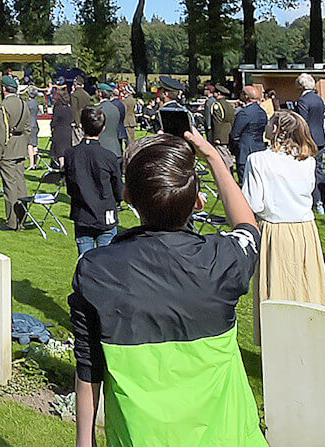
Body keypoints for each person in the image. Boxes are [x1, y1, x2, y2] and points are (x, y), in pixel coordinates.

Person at [71, 131, 262, 447]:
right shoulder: (224, 259)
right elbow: (247, 227)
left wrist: (84, 442)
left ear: (128, 197)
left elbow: (88, 367)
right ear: (198, 202)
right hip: (230, 437)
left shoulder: (97, 270)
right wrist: (214, 157)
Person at [241, 110, 325, 344]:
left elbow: (254, 202)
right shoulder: (308, 160)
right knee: (306, 284)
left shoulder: (258, 160)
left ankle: (281, 344)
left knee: (278, 287)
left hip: (276, 229)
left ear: (277, 129)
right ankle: (311, 339)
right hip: (305, 229)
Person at [63, 105, 123, 255]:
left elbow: (70, 186)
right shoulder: (107, 156)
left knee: (86, 261)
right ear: (102, 128)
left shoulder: (72, 154)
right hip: (101, 212)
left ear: (82, 127)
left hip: (85, 213)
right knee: (104, 263)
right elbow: (118, 188)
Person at [0, 77, 30, 231]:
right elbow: (28, 128)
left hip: (8, 149)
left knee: (10, 187)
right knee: (21, 183)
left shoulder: (3, 106)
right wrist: (24, 144)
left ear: (4, 89)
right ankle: (23, 218)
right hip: (20, 147)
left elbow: (2, 132)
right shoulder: (23, 103)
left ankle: (12, 222)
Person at [295, 73, 325, 214]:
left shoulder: (303, 101)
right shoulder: (319, 99)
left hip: (308, 139)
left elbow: (302, 122)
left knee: (309, 170)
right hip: (320, 137)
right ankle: (322, 199)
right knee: (319, 170)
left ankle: (316, 200)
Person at [228, 85, 268, 182]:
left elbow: (235, 134)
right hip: (259, 148)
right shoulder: (262, 112)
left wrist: (234, 148)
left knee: (245, 181)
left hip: (245, 150)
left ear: (246, 96)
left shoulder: (244, 113)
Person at [49, 86, 73, 171]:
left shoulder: (58, 108)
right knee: (66, 150)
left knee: (60, 152)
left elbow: (54, 120)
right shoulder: (69, 108)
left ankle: (62, 168)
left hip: (59, 131)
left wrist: (52, 126)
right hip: (68, 131)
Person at [26, 87, 42, 168]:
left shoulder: (28, 104)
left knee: (30, 145)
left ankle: (32, 164)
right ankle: (35, 163)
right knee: (35, 144)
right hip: (35, 124)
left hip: (30, 125)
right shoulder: (36, 103)